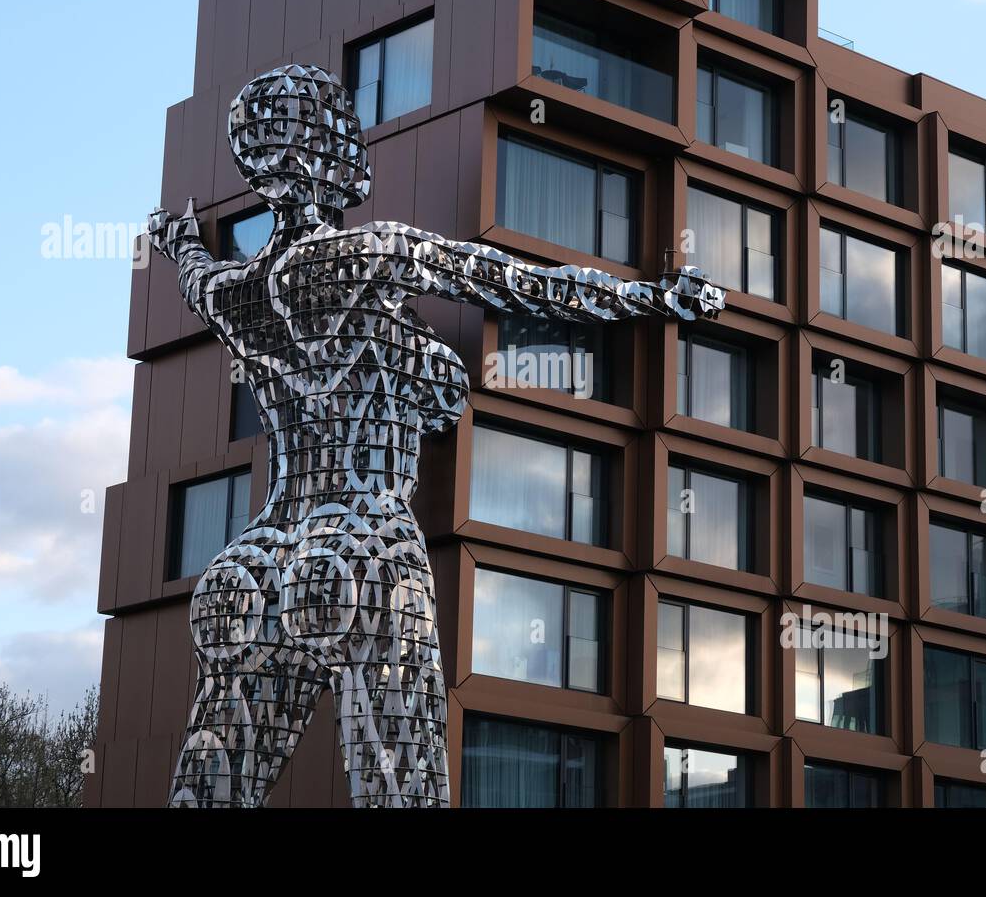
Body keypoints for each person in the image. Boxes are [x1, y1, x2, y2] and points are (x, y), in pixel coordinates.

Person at [148, 64, 724, 807]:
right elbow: (524, 284)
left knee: (213, 790)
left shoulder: (234, 294)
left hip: (255, 563)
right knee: (402, 784)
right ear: (329, 153)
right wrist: (654, 297)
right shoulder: (373, 253)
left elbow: (195, 272)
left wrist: (178, 242)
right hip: (361, 540)